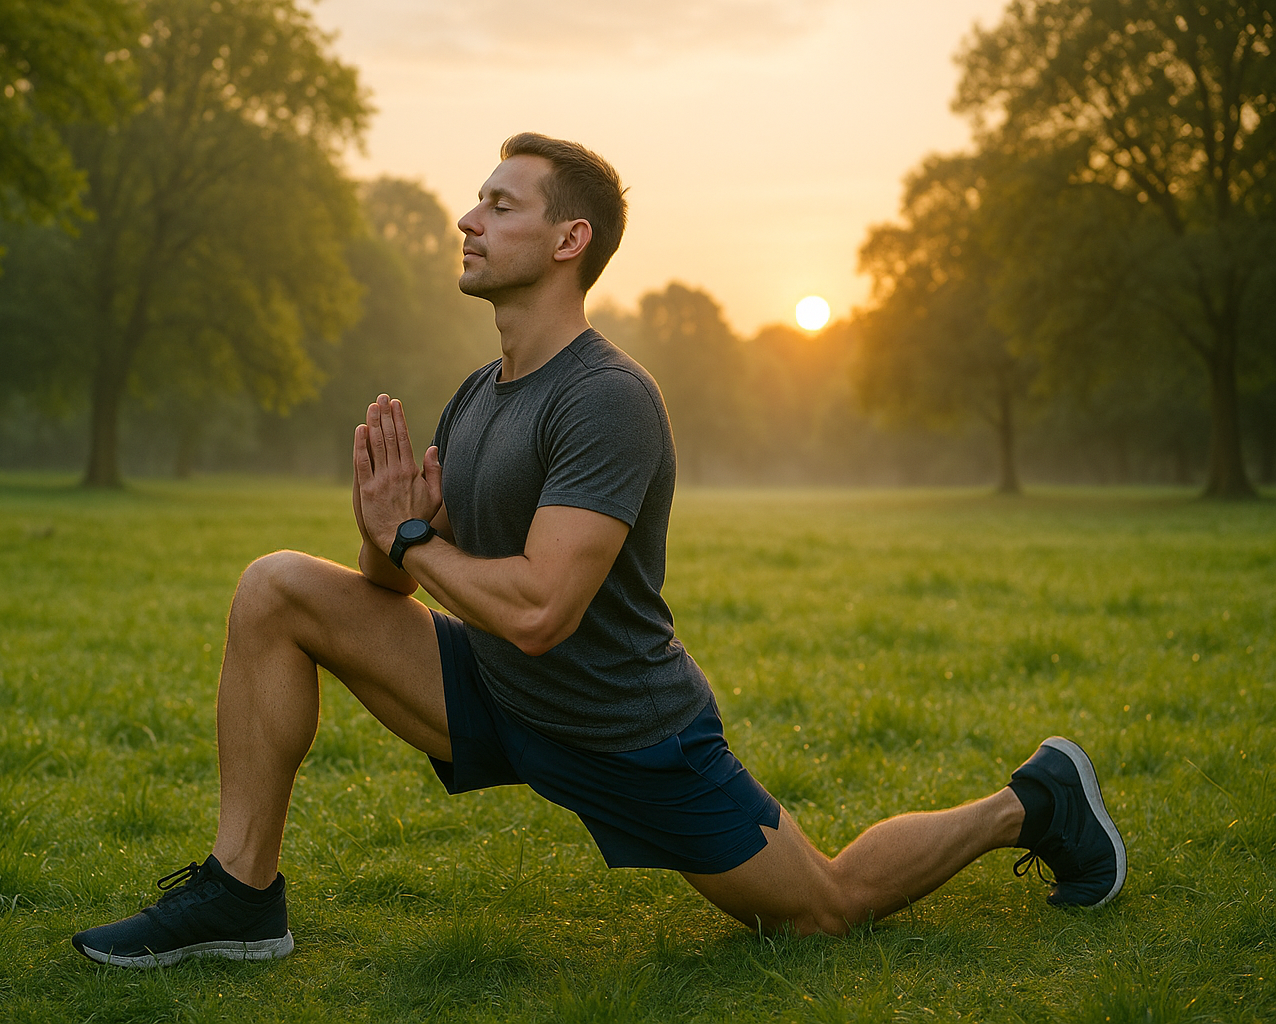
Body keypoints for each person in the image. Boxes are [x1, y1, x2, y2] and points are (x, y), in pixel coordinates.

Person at [71, 133, 1126, 968]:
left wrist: (411, 535)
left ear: (569, 240)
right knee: (276, 588)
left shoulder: (609, 398)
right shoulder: (477, 396)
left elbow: (539, 610)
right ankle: (242, 894)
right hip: (495, 694)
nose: (467, 218)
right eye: (476, 200)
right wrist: (384, 524)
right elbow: (394, 582)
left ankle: (1030, 800)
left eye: (499, 204)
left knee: (824, 909)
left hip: (626, 734)